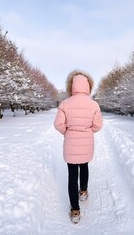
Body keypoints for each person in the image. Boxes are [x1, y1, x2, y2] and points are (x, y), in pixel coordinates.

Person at [54, 69, 103, 224]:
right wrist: (88, 131)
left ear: (71, 86)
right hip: (87, 141)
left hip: (71, 142)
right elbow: (98, 125)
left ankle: (75, 210)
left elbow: (58, 124)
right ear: (88, 86)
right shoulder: (94, 104)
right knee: (85, 166)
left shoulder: (65, 104)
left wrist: (67, 132)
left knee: (72, 174)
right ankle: (83, 191)